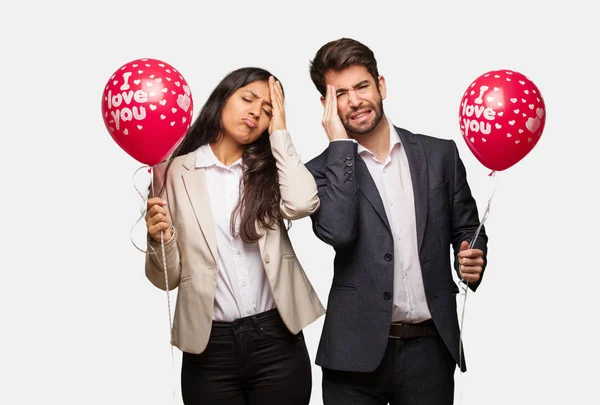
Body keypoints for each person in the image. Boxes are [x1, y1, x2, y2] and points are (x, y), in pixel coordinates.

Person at [305, 38, 489, 405]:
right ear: (326, 105)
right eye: (340, 94)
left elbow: (467, 228)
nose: (355, 100)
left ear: (381, 85)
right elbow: (340, 232)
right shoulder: (317, 172)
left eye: (362, 86)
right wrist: (340, 146)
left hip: (429, 350)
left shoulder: (440, 155)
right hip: (352, 356)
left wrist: (472, 256)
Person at [144, 67, 325, 405]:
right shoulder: (171, 173)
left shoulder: (272, 168)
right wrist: (159, 240)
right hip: (209, 348)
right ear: (222, 99)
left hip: (277, 340)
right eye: (248, 99)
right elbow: (165, 279)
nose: (256, 112)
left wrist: (281, 132)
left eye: (268, 109)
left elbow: (303, 203)